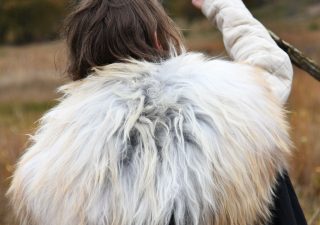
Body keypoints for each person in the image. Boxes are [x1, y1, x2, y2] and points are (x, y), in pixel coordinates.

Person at [7, 0, 307, 224]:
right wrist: (223, 5)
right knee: (263, 158)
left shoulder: (43, 172)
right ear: (157, 38)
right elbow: (269, 68)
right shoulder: (234, 106)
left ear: (81, 56)